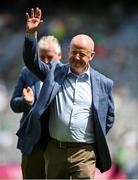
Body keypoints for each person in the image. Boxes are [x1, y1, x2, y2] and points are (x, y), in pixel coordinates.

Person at [17, 7, 115, 179]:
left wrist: (89, 136)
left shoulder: (103, 83)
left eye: (82, 54)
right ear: (68, 50)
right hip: (55, 151)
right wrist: (31, 35)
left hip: (84, 154)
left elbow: (108, 117)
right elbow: (31, 62)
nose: (77, 57)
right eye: (74, 52)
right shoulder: (54, 72)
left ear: (91, 55)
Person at [10, 35, 61, 179]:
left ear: (59, 55)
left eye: (49, 57)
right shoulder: (27, 72)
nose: (45, 61)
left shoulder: (65, 75)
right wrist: (26, 103)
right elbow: (14, 103)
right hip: (32, 145)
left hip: (57, 144)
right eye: (41, 57)